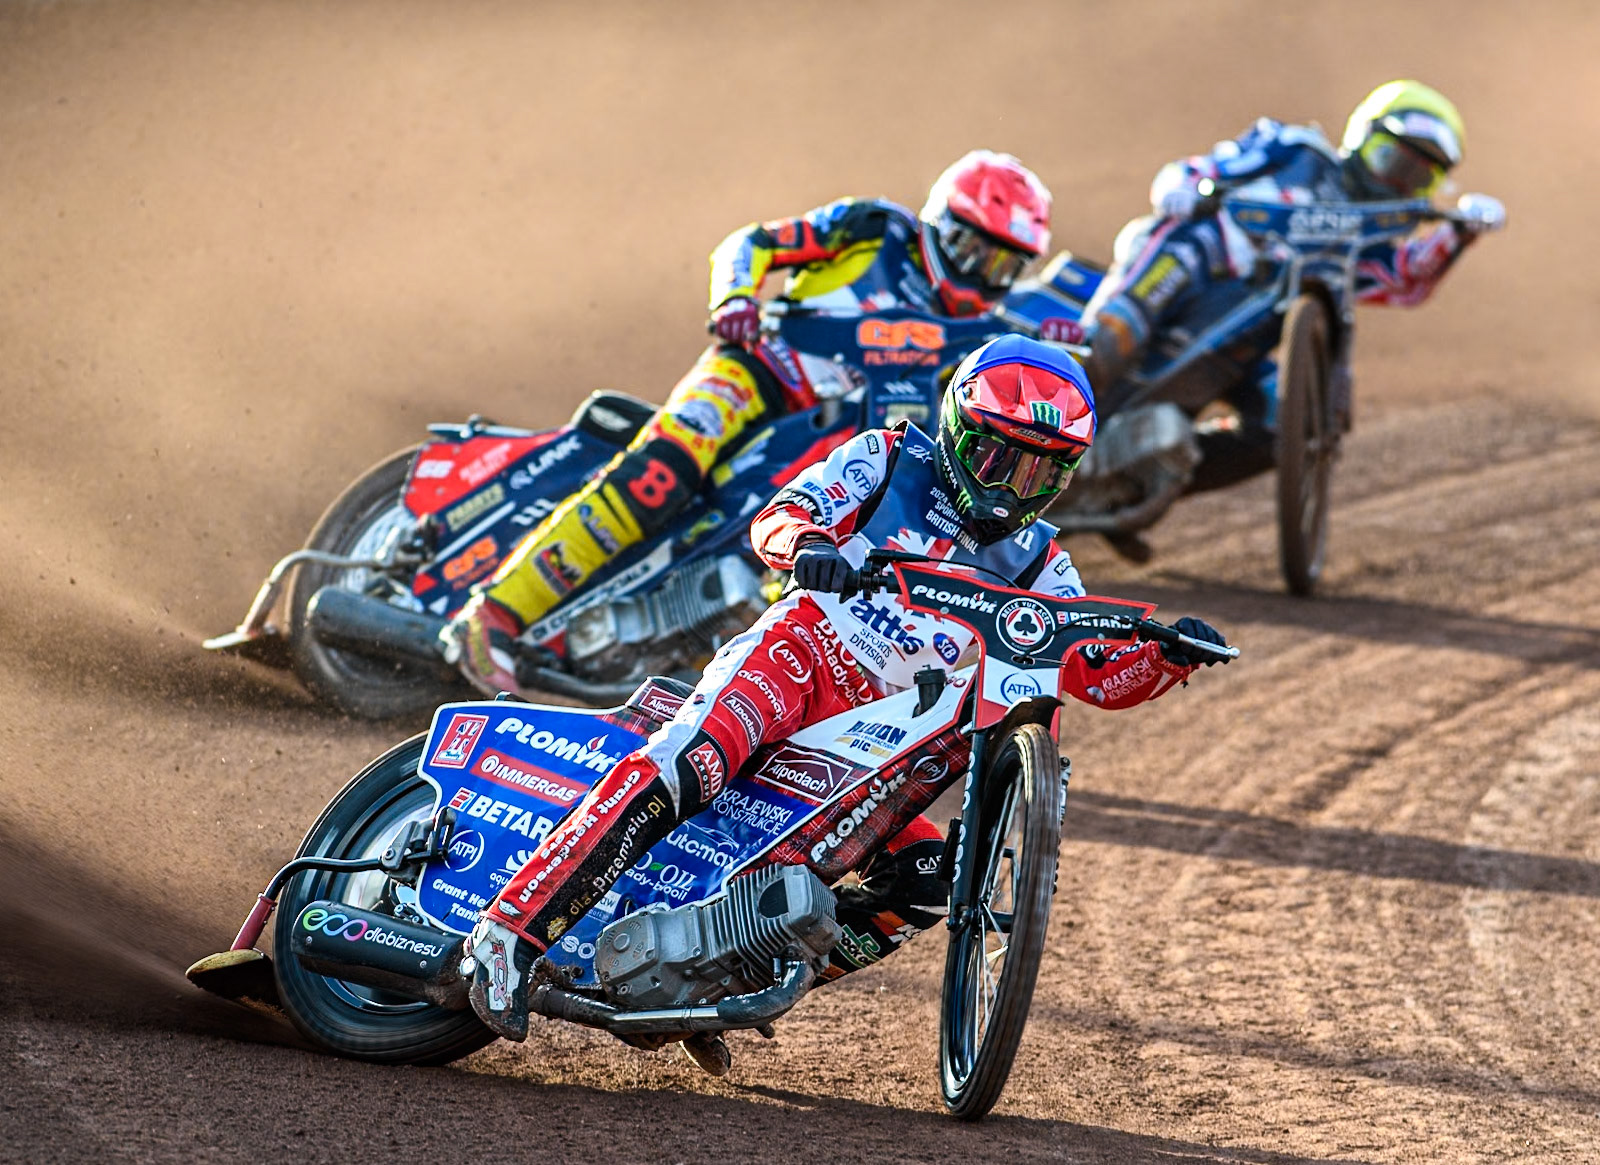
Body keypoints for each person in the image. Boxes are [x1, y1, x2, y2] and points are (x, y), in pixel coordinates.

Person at [463, 334, 1229, 1041]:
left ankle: (718, 986)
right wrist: (809, 546)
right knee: (687, 763)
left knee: (924, 882)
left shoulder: (1041, 564)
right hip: (798, 657)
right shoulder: (888, 458)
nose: (1011, 489)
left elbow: (1092, 667)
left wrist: (1167, 655)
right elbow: (783, 514)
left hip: (878, 735)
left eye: (1039, 470)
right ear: (959, 432)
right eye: (998, 460)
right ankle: (508, 931)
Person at [443, 151, 1083, 697]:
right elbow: (751, 244)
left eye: (1003, 264)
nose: (980, 273)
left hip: (831, 433)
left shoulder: (980, 336)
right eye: (973, 248)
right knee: (658, 476)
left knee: (812, 558)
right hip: (758, 373)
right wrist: (736, 299)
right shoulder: (872, 228)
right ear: (941, 222)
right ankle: (495, 611)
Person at [1081, 79, 1507, 494]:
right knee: (1112, 338)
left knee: (1292, 421)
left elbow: (1407, 280)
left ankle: (1134, 485)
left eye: (1418, 179)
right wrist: (1184, 188)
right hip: (1193, 262)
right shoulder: (1295, 150)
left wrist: (1460, 233)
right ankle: (1045, 413)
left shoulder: (1370, 241)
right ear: (1363, 134)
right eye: (1391, 162)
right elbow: (1196, 171)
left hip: (1240, 343)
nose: (1396, 184)